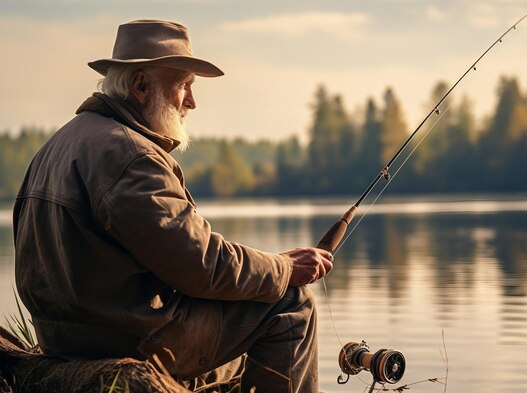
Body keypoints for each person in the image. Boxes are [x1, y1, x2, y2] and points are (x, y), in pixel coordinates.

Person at [13, 19, 333, 393]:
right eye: (184, 86)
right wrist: (283, 268)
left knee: (240, 334)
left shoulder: (56, 145)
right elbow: (200, 265)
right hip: (126, 338)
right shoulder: (132, 155)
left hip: (63, 339)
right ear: (141, 85)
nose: (192, 102)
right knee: (291, 305)